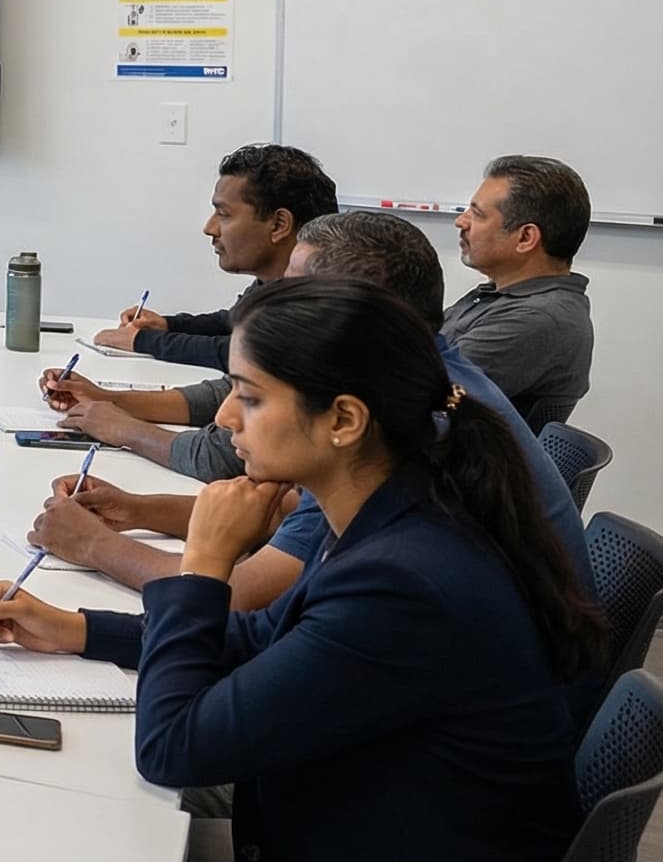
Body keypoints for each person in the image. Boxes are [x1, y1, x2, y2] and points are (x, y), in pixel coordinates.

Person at [0, 278, 599, 862]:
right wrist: (81, 629)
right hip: (376, 861)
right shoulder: (399, 508)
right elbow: (268, 639)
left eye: (251, 397)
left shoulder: (404, 579)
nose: (228, 423)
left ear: (344, 421)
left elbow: (173, 748)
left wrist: (206, 564)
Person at [29, 210, 588, 613]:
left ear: (346, 311)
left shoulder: (399, 424)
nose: (267, 301)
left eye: (293, 290)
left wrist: (95, 546)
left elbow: (239, 599)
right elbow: (287, 515)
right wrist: (137, 510)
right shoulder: (426, 381)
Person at [91, 143, 337, 368]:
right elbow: (234, 320)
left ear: (278, 224)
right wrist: (168, 325)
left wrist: (144, 341)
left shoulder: (322, 299)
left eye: (224, 214)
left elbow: (245, 352)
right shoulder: (277, 281)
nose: (209, 228)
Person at [447, 153, 595, 431]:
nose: (461, 222)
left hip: (453, 469)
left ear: (526, 238)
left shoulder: (537, 319)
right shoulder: (500, 296)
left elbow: (420, 395)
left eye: (477, 214)